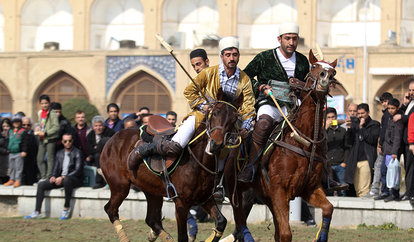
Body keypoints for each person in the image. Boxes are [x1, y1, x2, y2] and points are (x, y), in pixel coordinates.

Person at [127, 36, 256, 171]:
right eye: (228, 55)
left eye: (234, 55)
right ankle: (145, 149)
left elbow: (248, 105)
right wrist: (204, 106)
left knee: (232, 154)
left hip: (228, 121)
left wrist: (246, 126)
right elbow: (189, 92)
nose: (231, 58)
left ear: (239, 56)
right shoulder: (208, 73)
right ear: (222, 56)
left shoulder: (245, 79)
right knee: (177, 144)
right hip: (203, 115)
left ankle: (221, 185)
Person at [237, 22, 310, 182]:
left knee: (312, 128)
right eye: (287, 38)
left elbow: (308, 84)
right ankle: (251, 166)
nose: (291, 42)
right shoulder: (264, 58)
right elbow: (245, 76)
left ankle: (321, 172)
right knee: (263, 124)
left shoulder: (303, 61)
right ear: (279, 39)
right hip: (270, 103)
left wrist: (300, 84)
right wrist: (259, 86)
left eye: (294, 39)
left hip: (294, 105)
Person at [24, 133, 84, 220]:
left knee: (67, 180)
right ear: (62, 142)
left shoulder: (78, 153)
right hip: (61, 179)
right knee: (41, 184)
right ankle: (37, 212)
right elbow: (55, 168)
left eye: (70, 141)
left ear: (72, 141)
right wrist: (53, 176)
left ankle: (66, 208)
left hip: (74, 179)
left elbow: (78, 170)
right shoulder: (59, 153)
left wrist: (63, 177)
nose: (68, 143)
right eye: (65, 141)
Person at [345, 103, 380, 197]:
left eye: (362, 113)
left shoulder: (374, 125)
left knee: (364, 190)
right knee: (357, 190)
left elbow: (372, 140)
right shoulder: (354, 124)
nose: (360, 115)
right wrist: (349, 129)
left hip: (366, 161)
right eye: (358, 113)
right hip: (355, 161)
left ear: (368, 112)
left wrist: (361, 128)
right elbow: (349, 142)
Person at [395, 78, 414, 201]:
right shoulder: (411, 102)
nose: (411, 92)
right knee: (407, 167)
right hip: (406, 140)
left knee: (413, 167)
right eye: (410, 90)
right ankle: (407, 190)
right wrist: (405, 104)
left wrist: (402, 116)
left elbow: (413, 117)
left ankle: (411, 192)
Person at [367, 92, 393, 199]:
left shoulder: (388, 114)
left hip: (387, 147)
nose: (384, 104)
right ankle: (380, 190)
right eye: (382, 102)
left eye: (386, 101)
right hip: (385, 145)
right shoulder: (386, 114)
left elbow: (386, 132)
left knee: (382, 167)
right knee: (380, 167)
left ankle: (380, 190)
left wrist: (381, 144)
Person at [379, 98, 403, 202]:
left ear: (397, 108)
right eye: (389, 108)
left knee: (393, 173)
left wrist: (394, 152)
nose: (390, 110)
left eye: (393, 108)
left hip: (392, 151)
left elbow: (397, 137)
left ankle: (394, 194)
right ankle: (386, 191)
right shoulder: (389, 117)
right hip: (387, 149)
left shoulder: (398, 120)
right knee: (384, 171)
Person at [325, 107, 349, 196]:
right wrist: (325, 128)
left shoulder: (343, 130)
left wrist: (344, 162)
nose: (331, 119)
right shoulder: (324, 131)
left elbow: (347, 147)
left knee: (342, 190)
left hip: (340, 164)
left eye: (333, 117)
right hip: (328, 165)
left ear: (336, 117)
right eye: (329, 117)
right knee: (328, 189)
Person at [86, 116, 115, 188]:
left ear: (104, 126)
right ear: (93, 127)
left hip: (109, 155)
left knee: (103, 142)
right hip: (95, 156)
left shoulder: (110, 132)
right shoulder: (90, 135)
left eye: (100, 125)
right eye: (96, 126)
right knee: (97, 156)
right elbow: (90, 149)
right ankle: (99, 182)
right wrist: (98, 149)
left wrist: (97, 147)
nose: (98, 128)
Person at [36, 95, 59, 180]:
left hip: (50, 138)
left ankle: (49, 177)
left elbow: (56, 127)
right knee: (40, 158)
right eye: (42, 103)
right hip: (42, 139)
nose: (44, 105)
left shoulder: (52, 113)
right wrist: (38, 128)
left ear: (49, 103)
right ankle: (43, 176)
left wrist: (46, 133)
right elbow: (41, 124)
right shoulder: (40, 113)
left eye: (46, 103)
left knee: (50, 158)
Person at [3, 116, 27, 187]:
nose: (16, 123)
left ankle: (18, 180)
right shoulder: (10, 131)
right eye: (15, 122)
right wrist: (7, 148)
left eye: (18, 122)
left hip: (19, 152)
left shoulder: (22, 131)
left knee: (18, 167)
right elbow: (7, 140)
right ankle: (11, 179)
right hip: (11, 152)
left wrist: (24, 151)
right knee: (11, 167)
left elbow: (25, 142)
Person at [21, 117, 39, 185]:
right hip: (21, 159)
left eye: (28, 125)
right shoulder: (20, 134)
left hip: (32, 160)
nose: (26, 127)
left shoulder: (34, 135)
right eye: (24, 125)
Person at [0, 118, 11, 184]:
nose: (5, 128)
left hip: (9, 160)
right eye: (3, 126)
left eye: (7, 126)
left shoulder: (12, 135)